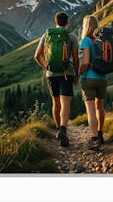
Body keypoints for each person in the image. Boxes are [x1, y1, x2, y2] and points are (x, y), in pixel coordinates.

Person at [34, 12, 79, 147]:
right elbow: (76, 58)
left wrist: (45, 66)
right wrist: (76, 74)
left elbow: (37, 55)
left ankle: (59, 128)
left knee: (56, 102)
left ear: (55, 22)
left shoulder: (46, 36)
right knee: (66, 102)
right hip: (67, 73)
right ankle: (63, 129)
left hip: (51, 73)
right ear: (67, 23)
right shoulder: (71, 36)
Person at [79, 15, 106, 150]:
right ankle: (100, 134)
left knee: (90, 110)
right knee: (100, 107)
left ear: (86, 26)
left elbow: (85, 62)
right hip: (102, 79)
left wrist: (79, 74)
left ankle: (95, 139)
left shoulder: (86, 40)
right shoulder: (102, 40)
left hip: (89, 78)